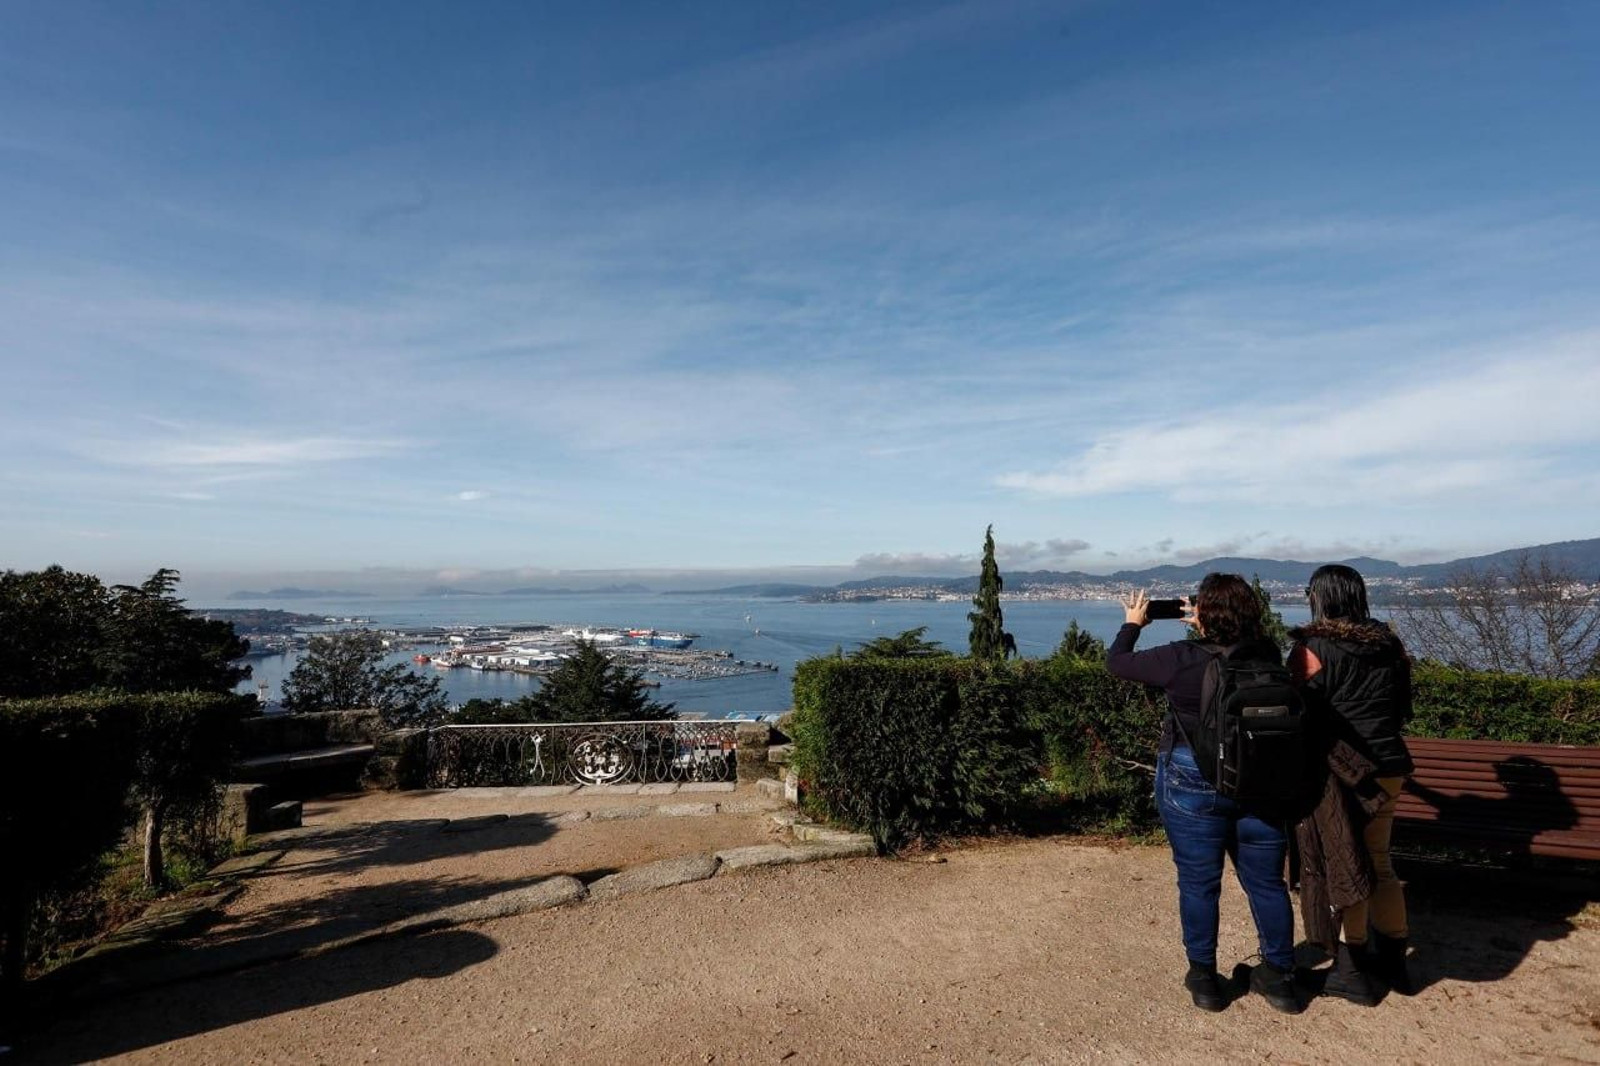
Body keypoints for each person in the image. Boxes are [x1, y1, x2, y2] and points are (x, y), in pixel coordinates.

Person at [1107, 574, 1302, 1014]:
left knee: (1199, 882)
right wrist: (1212, 623)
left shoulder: (1180, 658)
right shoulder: (1267, 654)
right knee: (1267, 883)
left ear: (1202, 615)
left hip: (1192, 778)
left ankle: (1205, 979)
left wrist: (1134, 623)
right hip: (1260, 781)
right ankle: (1281, 978)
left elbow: (1117, 662)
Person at [1289, 564, 1415, 1001]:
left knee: (1349, 865)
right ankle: (1394, 960)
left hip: (1343, 772)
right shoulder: (1389, 644)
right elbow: (1402, 708)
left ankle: (1351, 966)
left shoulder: (1313, 648)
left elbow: (1297, 711)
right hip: (1390, 765)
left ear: (1320, 597)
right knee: (1378, 861)